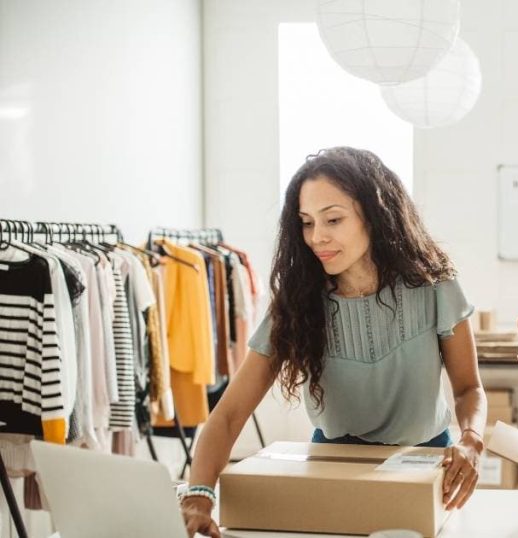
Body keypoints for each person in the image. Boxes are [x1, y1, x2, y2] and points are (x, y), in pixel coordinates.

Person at [180, 147, 487, 537]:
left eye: (334, 219)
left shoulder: (434, 285)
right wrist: (199, 494)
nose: (316, 237)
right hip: (332, 460)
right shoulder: (296, 301)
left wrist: (472, 440)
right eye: (306, 223)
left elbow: (468, 388)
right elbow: (227, 415)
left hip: (427, 462)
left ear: (375, 216)